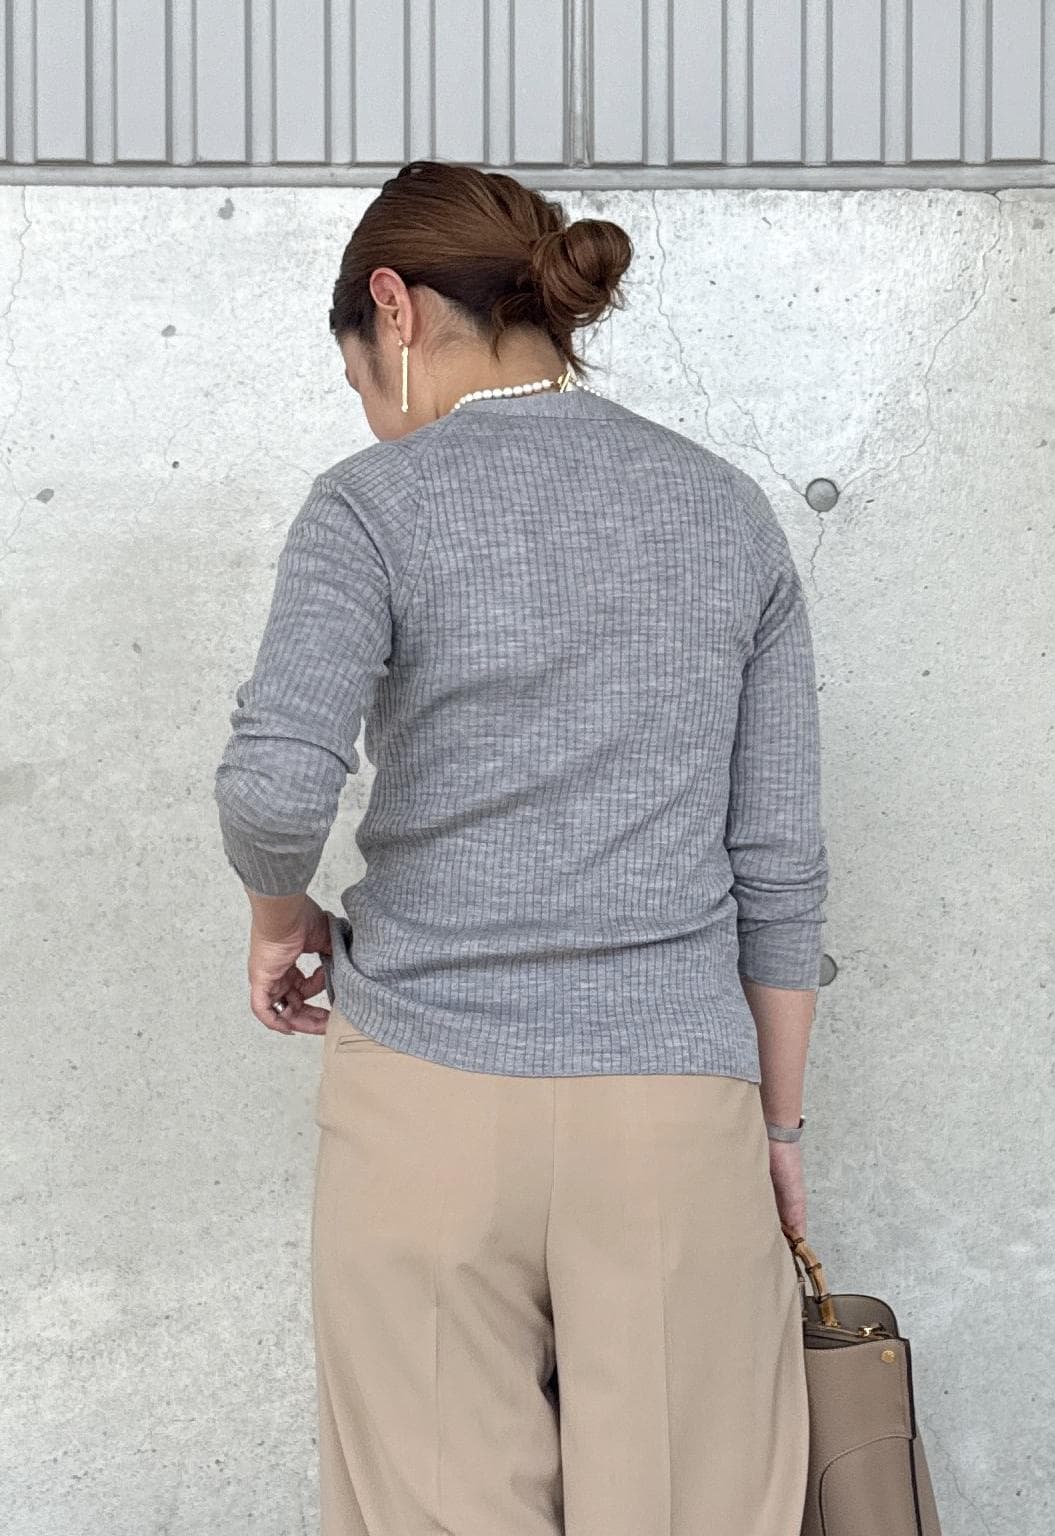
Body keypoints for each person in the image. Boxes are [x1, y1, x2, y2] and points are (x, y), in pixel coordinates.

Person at [213, 159, 828, 1536]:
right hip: (673, 1104)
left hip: (421, 1099)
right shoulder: (723, 509)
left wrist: (278, 921)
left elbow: (273, 790)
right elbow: (779, 865)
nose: (374, 414)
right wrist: (776, 1130)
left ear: (394, 306)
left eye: (361, 376)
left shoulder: (370, 506)